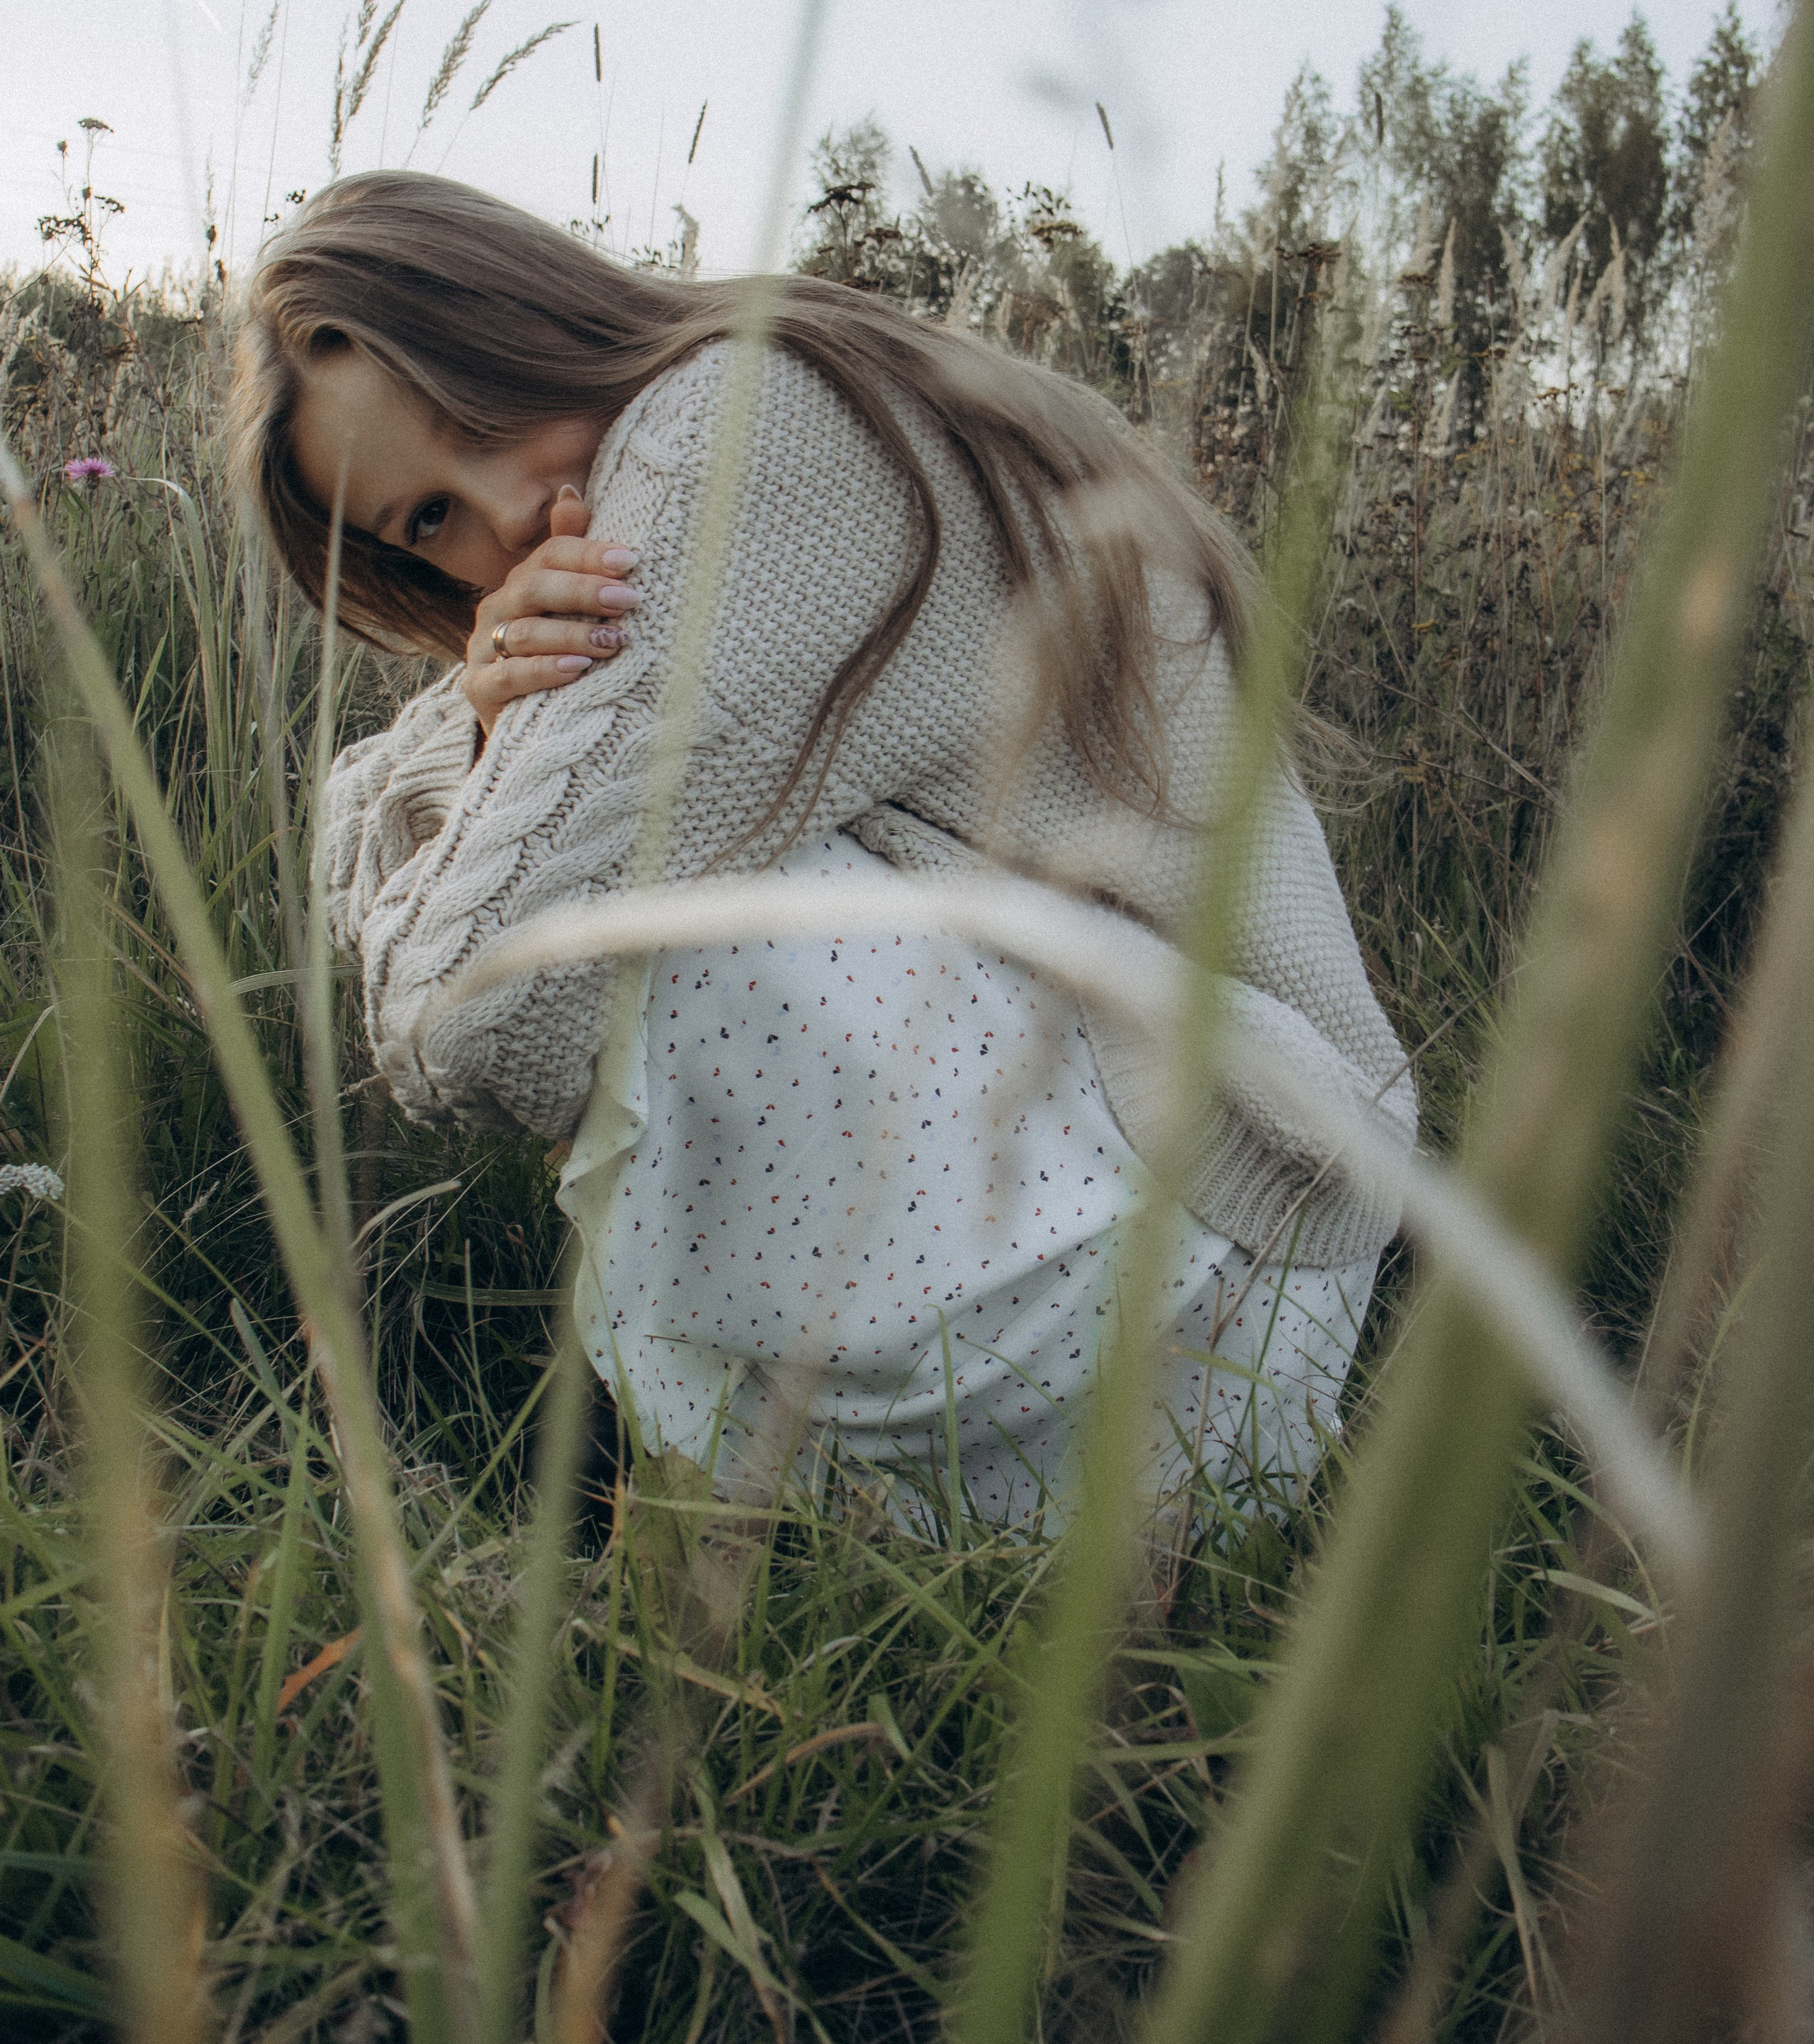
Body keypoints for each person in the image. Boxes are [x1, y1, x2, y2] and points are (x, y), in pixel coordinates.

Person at [230, 169, 1414, 1527]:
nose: (507, 515)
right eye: (428, 522)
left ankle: (873, 1500)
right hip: (1136, 1230)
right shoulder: (730, 430)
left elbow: (467, 1028)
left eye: (483, 415)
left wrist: (472, 774)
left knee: (653, 928)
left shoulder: (741, 431)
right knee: (628, 880)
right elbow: (358, 824)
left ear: (528, 321)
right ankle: (847, 1513)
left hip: (1225, 1262)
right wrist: (481, 722)